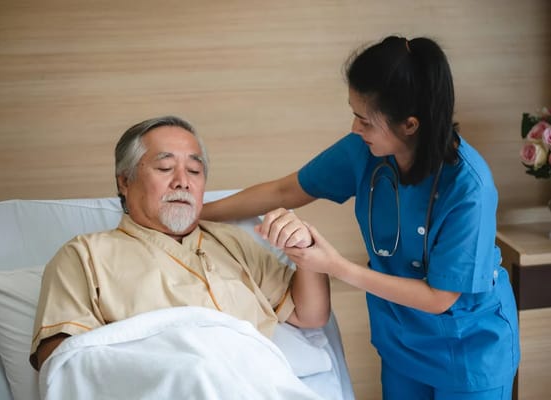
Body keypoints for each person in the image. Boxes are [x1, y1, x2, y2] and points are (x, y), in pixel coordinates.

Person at [201, 36, 520, 399]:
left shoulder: (468, 187)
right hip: (402, 342)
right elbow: (284, 191)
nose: (355, 129)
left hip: (469, 350)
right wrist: (196, 212)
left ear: (410, 125)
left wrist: (335, 265)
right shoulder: (364, 151)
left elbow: (439, 297)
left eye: (364, 120)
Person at [29, 115, 331, 371]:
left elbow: (310, 315)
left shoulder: (232, 243)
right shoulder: (85, 255)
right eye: (164, 168)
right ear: (124, 181)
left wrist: (303, 248)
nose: (183, 181)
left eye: (195, 171)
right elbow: (59, 360)